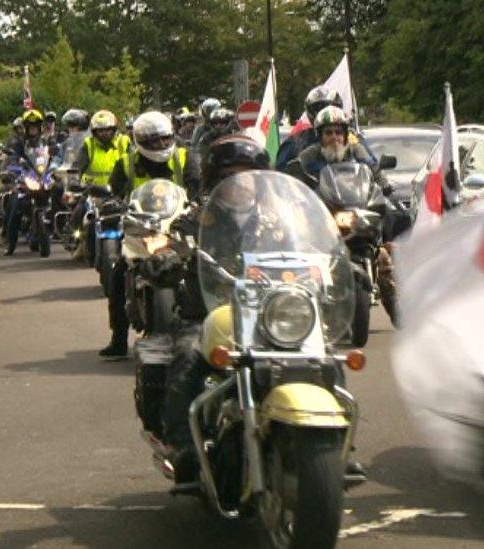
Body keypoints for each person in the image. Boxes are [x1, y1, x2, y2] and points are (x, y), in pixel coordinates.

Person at [161, 136, 270, 480]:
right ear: (214, 180)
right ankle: (184, 448)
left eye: (247, 175)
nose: (239, 182)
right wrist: (165, 257)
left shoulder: (278, 218)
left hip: (268, 315)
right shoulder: (195, 219)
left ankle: (331, 439)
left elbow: (310, 245)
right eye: (231, 175)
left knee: (318, 354)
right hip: (208, 312)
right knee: (185, 357)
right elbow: (167, 245)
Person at [98, 111, 201, 358]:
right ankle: (118, 338)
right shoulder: (126, 162)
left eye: (164, 139)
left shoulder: (186, 157)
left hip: (179, 226)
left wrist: (202, 202)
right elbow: (113, 192)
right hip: (141, 228)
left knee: (202, 267)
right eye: (153, 141)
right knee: (117, 273)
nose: (160, 145)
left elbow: (199, 187)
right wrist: (110, 203)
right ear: (140, 141)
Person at [64, 110, 131, 236]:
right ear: (94, 132)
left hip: (119, 193)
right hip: (93, 192)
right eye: (101, 130)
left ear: (114, 129)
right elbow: (77, 166)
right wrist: (73, 181)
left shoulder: (124, 143)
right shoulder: (89, 145)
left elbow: (134, 164)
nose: (105, 133)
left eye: (108, 129)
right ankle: (74, 239)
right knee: (80, 210)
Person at [4, 109, 59, 255]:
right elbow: (12, 157)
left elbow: (57, 154)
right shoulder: (19, 141)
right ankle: (11, 243)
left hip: (44, 175)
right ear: (26, 126)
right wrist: (12, 168)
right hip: (26, 177)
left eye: (36, 125)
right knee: (15, 205)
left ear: (40, 126)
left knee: (61, 195)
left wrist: (58, 164)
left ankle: (65, 230)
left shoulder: (47, 140)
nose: (33, 128)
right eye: (30, 125)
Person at [288, 105, 376, 189]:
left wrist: (384, 184)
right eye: (328, 133)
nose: (334, 137)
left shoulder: (355, 149)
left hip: (355, 199)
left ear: (345, 136)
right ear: (320, 137)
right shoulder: (311, 153)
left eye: (338, 132)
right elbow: (295, 169)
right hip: (321, 202)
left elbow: (373, 168)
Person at [274, 85, 343, 169]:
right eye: (320, 109)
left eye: (332, 108)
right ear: (310, 113)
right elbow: (281, 176)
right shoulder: (295, 143)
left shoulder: (354, 140)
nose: (329, 114)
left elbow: (363, 165)